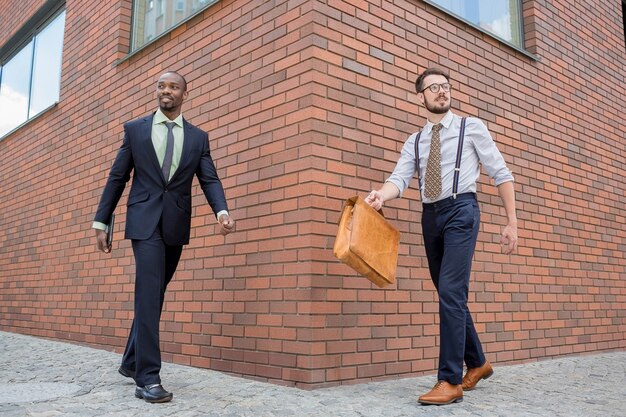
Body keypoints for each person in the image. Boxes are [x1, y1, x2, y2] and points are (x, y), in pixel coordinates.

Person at [364, 67, 517, 405]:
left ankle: (449, 380)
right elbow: (399, 179)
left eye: (445, 86)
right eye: (433, 87)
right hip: (430, 216)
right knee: (449, 293)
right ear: (420, 96)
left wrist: (511, 222)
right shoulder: (415, 140)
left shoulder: (471, 127)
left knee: (450, 290)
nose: (441, 91)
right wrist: (380, 196)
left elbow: (500, 172)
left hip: (462, 210)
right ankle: (477, 363)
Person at [93, 71, 235, 403]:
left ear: (185, 94)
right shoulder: (135, 130)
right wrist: (102, 220)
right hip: (143, 223)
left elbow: (209, 179)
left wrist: (221, 211)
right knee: (148, 290)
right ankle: (147, 377)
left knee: (154, 293)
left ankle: (131, 360)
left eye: (172, 87)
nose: (165, 91)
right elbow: (118, 177)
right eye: (161, 86)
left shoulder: (198, 138)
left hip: (174, 224)